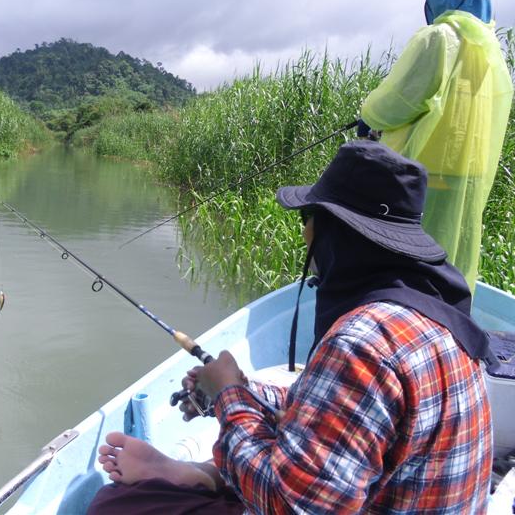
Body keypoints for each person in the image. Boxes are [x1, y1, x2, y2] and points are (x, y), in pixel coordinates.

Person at [88, 141, 494, 514]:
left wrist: (229, 398)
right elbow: (334, 411)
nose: (304, 234)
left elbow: (289, 506)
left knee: (118, 504)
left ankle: (205, 477)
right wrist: (241, 389)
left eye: (308, 218)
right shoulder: (434, 315)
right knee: (278, 444)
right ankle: (207, 475)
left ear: (337, 233)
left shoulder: (362, 341)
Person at [359, 0, 514, 291]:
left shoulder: (439, 39)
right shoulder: (490, 50)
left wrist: (368, 118)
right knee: (446, 261)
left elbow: (396, 101)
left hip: (418, 178)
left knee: (406, 263)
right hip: (463, 179)